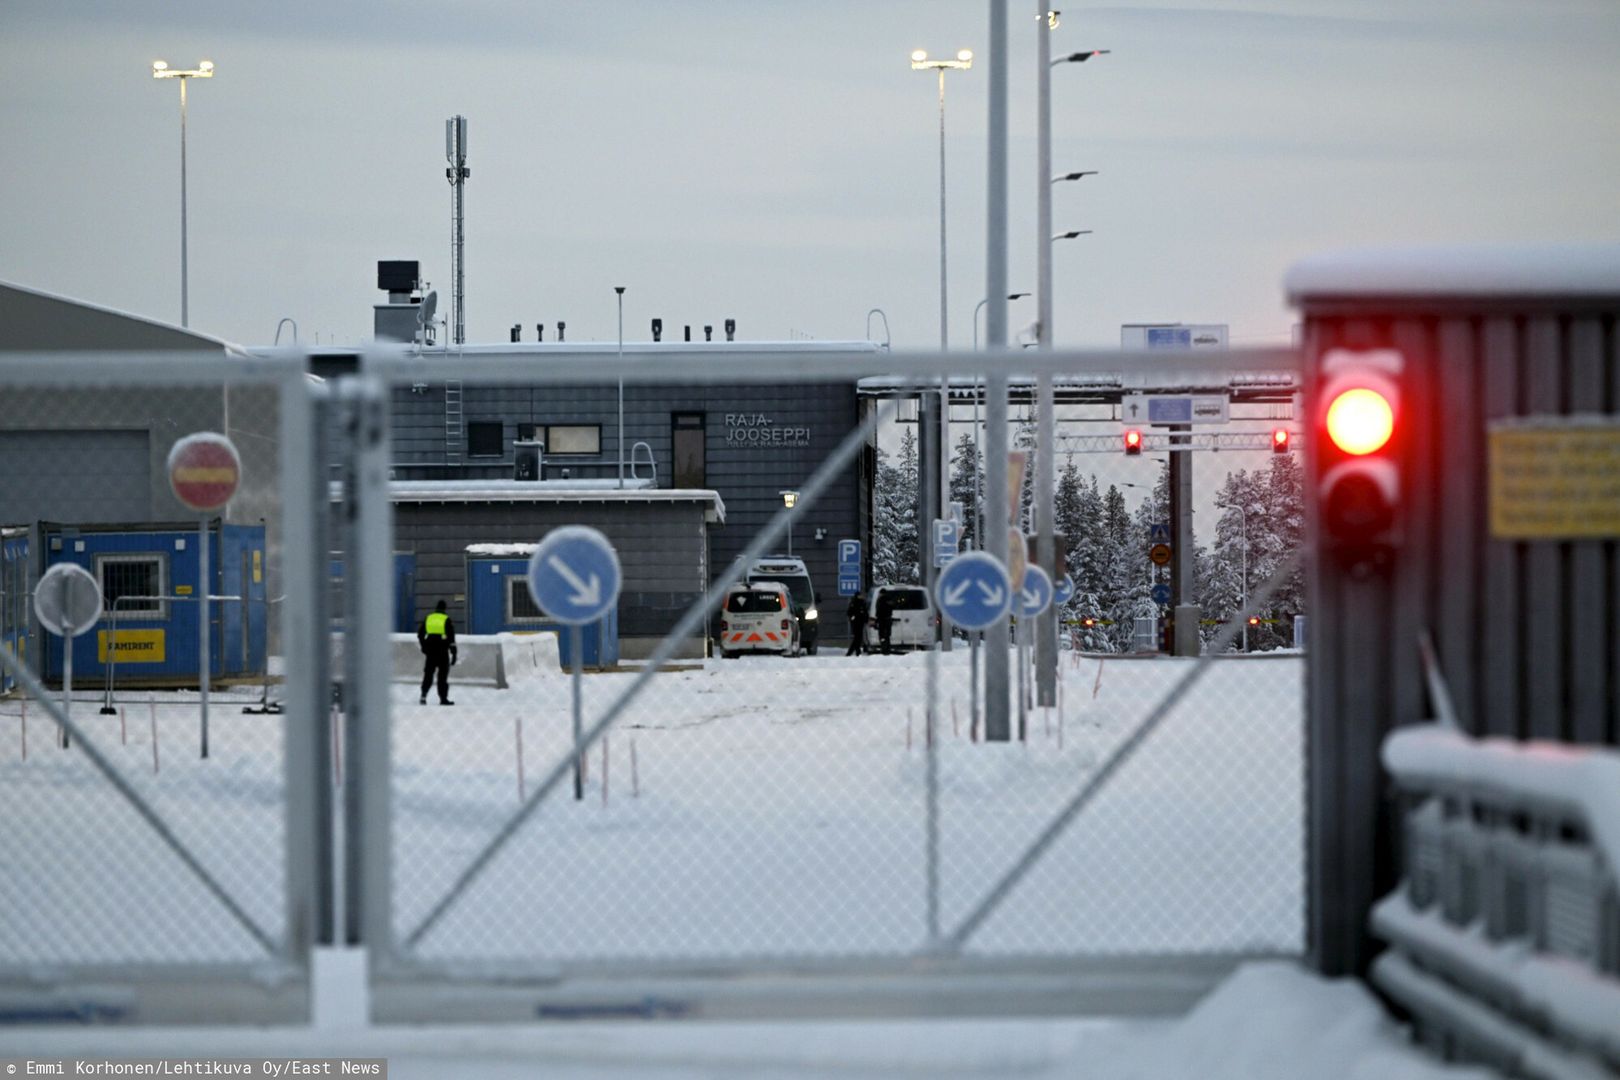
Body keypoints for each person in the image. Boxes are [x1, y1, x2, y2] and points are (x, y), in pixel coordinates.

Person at [417, 599, 458, 705]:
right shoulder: (446, 619)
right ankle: (443, 698)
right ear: (445, 608)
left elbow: (420, 634)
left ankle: (423, 695)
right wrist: (454, 653)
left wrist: (424, 646)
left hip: (430, 652)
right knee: (442, 677)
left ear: (436, 608)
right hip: (442, 652)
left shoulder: (429, 618)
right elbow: (451, 638)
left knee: (428, 674)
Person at [875, 590, 895, 655]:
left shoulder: (880, 600)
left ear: (881, 593)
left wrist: (877, 620)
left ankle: (884, 650)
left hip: (882, 620)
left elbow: (879, 611)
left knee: (882, 636)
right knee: (887, 636)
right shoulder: (890, 600)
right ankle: (888, 649)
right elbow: (892, 607)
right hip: (888, 619)